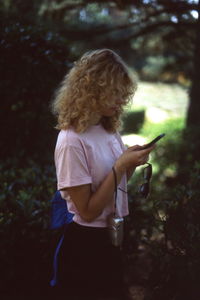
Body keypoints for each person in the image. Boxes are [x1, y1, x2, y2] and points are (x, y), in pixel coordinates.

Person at [51, 49, 154, 300]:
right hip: (84, 245)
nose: (121, 99)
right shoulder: (71, 141)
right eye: (115, 92)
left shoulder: (107, 130)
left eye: (123, 92)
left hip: (110, 238)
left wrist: (129, 164)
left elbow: (116, 187)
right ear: (92, 90)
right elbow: (86, 211)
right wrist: (119, 167)